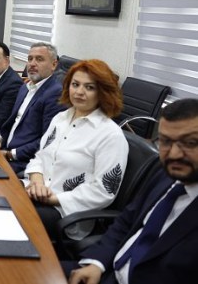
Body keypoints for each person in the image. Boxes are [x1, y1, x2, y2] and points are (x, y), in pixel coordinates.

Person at [69, 98, 198, 284]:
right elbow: (126, 221)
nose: (174, 154)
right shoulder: (165, 175)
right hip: (106, 272)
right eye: (165, 141)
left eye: (191, 143)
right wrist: (97, 262)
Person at [24, 59, 128, 240]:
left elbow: (103, 192)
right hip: (35, 192)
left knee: (11, 216)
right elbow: (40, 157)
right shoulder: (60, 118)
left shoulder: (111, 135)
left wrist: (52, 198)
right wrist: (37, 182)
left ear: (103, 92)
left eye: (89, 87)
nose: (79, 92)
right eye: (75, 84)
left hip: (66, 214)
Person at [0, 42, 66, 174]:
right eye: (30, 59)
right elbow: (12, 122)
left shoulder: (55, 93)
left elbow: (47, 140)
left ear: (54, 64)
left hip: (23, 162)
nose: (32, 64)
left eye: (39, 59)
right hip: (3, 151)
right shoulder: (25, 87)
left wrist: (11, 154)